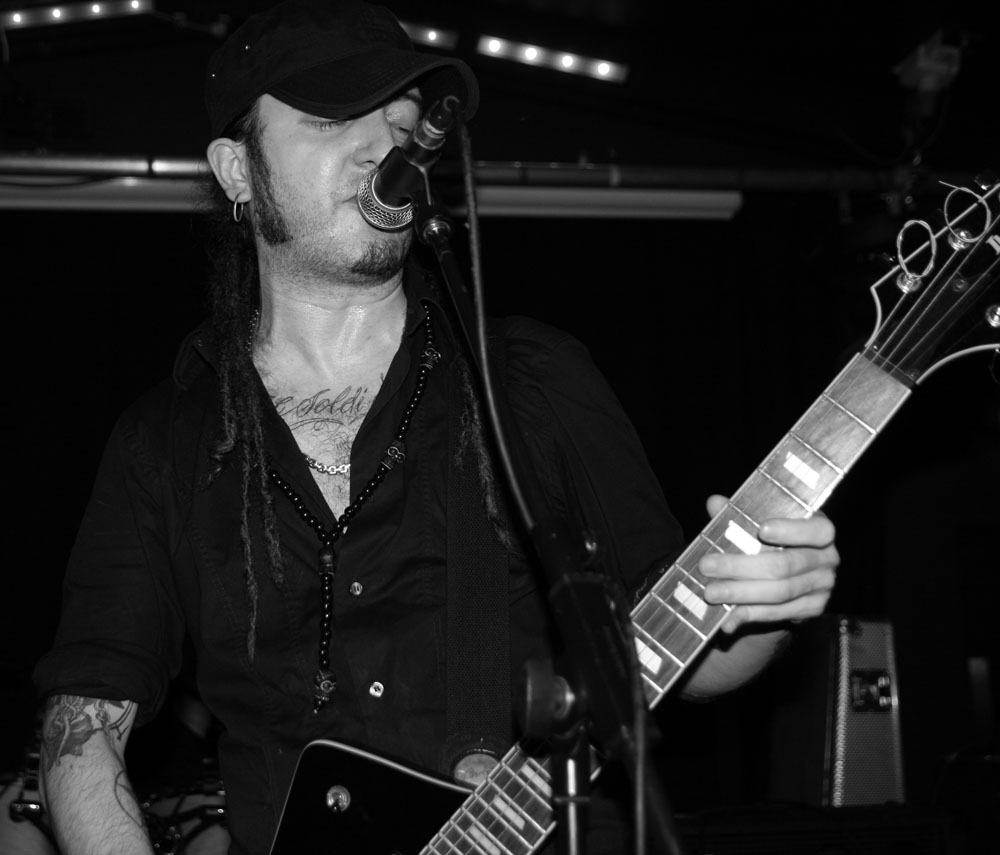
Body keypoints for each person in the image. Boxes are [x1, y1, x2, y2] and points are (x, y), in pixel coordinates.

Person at [32, 2, 839, 854]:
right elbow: (81, 724)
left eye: (401, 124)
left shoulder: (529, 380)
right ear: (237, 170)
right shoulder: (165, 440)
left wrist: (761, 608)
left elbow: (676, 658)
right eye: (331, 120)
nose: (380, 149)